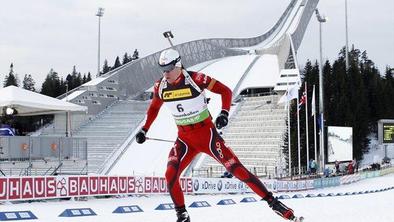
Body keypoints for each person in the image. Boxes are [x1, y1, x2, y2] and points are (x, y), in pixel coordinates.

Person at [135, 48, 296, 222]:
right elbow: (153, 108)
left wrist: (224, 113)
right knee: (170, 175)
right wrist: (145, 129)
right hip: (184, 140)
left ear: (178, 66)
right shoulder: (161, 86)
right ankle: (182, 215)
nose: (165, 73)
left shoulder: (196, 79)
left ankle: (273, 203)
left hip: (208, 137)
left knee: (236, 169)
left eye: (168, 69)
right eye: (162, 69)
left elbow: (225, 91)